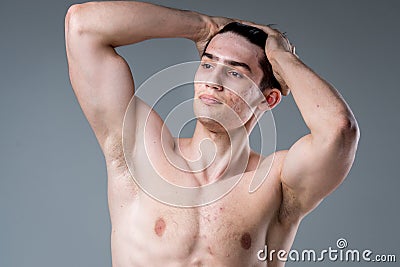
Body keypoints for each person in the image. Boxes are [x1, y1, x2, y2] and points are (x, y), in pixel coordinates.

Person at [65, 1, 360, 266]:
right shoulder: (140, 152)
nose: (212, 81)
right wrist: (203, 27)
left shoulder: (276, 183)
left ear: (268, 98)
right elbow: (83, 26)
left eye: (235, 72)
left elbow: (339, 130)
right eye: (207, 64)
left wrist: (281, 57)